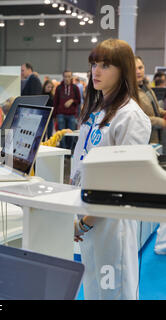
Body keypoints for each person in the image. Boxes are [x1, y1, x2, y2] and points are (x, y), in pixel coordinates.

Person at [71, 39, 151, 300]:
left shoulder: (131, 117)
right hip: (87, 213)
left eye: (105, 65)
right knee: (93, 287)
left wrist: (85, 223)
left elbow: (123, 184)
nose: (96, 71)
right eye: (94, 64)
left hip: (108, 221)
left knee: (113, 290)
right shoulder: (97, 109)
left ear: (123, 70)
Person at [135, 56, 166, 144]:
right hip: (144, 138)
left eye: (140, 68)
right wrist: (161, 122)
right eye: (134, 69)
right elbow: (137, 118)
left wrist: (164, 112)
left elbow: (155, 108)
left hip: (156, 135)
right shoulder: (130, 92)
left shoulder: (146, 87)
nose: (138, 71)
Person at [53, 70, 81, 149]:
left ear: (71, 77)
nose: (67, 78)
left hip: (72, 115)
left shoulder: (75, 88)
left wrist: (72, 100)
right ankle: (63, 152)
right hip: (60, 114)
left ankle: (70, 151)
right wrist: (54, 116)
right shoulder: (58, 88)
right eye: (65, 76)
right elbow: (55, 102)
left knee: (71, 135)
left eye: (69, 76)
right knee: (61, 135)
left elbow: (78, 101)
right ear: (63, 77)